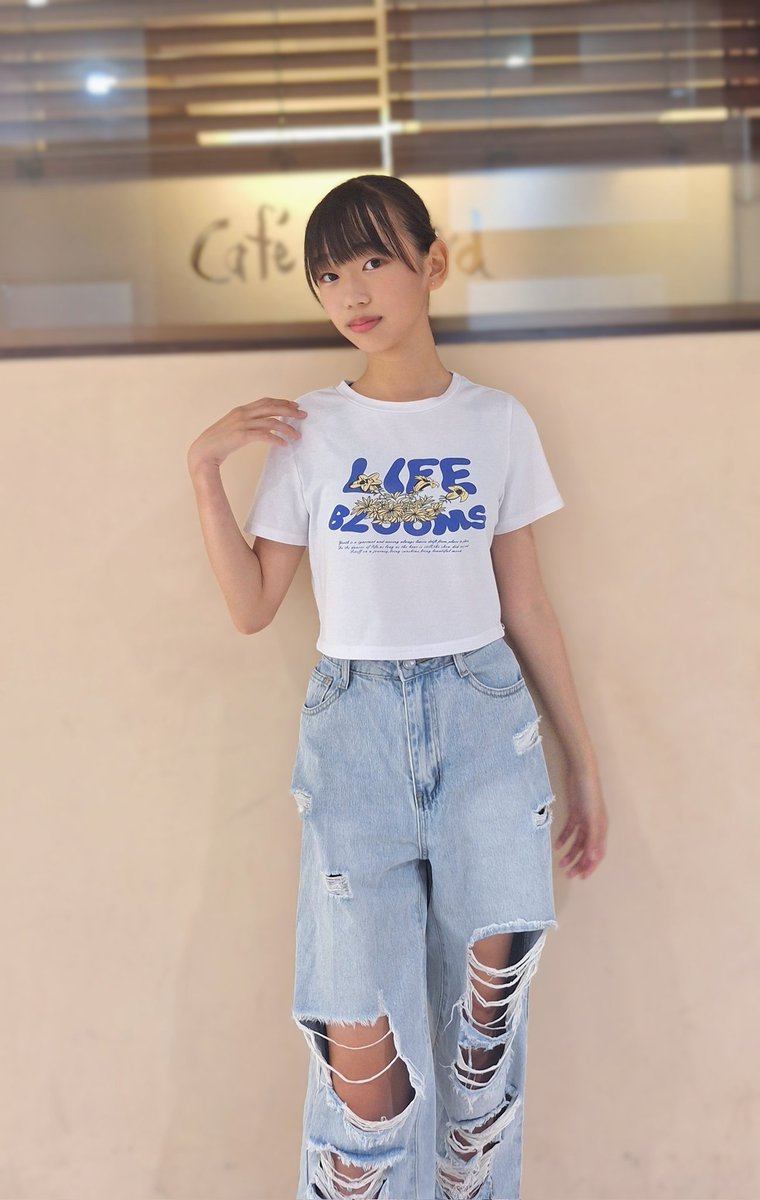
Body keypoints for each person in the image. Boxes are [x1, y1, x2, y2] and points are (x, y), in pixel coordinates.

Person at [187, 174, 608, 1200]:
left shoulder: (496, 422)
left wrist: (582, 765)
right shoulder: (310, 431)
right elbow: (252, 606)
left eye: (373, 261)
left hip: (486, 727)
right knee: (362, 1063)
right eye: (329, 275)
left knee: (480, 1053)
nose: (352, 293)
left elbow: (527, 605)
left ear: (433, 263)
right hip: (355, 736)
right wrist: (203, 469)